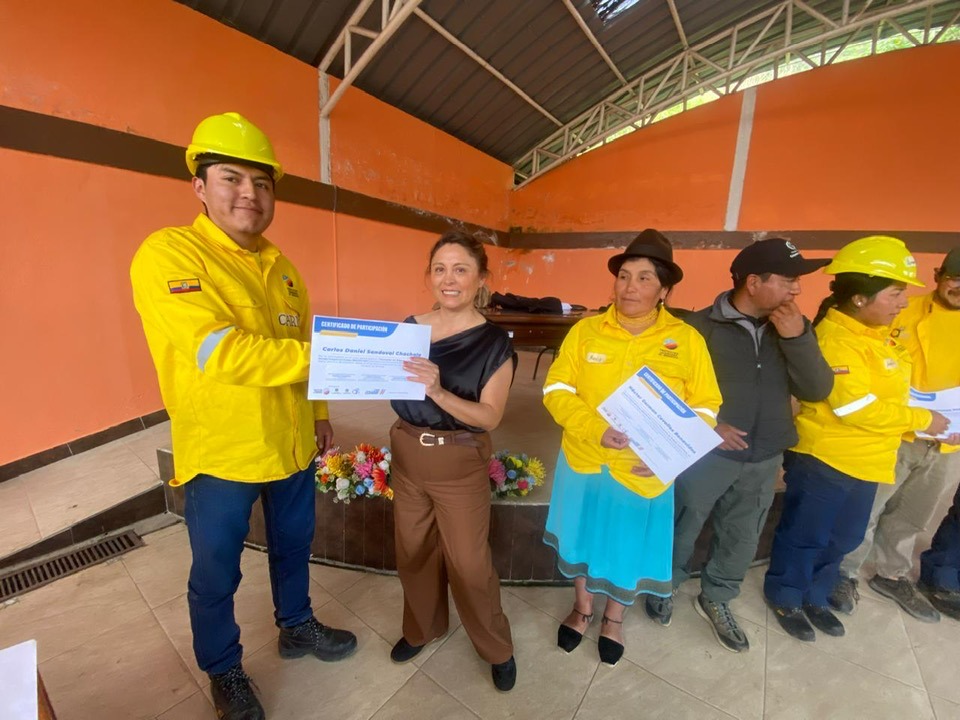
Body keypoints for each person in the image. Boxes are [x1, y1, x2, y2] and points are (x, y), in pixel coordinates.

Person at [130, 113, 356, 720]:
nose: (249, 194)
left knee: (294, 545)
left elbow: (301, 348)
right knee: (215, 572)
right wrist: (337, 356)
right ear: (200, 187)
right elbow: (219, 352)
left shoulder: (284, 270)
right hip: (223, 450)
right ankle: (223, 668)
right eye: (231, 178)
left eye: (262, 182)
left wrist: (319, 412)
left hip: (290, 443)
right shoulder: (169, 254)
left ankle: (296, 624)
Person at [541, 229, 722, 666]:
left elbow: (706, 407)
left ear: (664, 290)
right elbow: (556, 389)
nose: (630, 287)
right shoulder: (586, 332)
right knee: (581, 536)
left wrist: (669, 457)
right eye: (624, 276)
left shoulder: (687, 340)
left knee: (624, 545)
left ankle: (614, 619)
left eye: (644, 278)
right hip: (585, 460)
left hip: (643, 470)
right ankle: (583, 608)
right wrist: (594, 428)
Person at [646, 239, 833, 652]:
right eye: (788, 280)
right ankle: (664, 585)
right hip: (705, 455)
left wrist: (797, 338)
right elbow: (664, 391)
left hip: (764, 455)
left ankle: (717, 596)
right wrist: (707, 427)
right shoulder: (697, 328)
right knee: (683, 525)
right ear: (753, 282)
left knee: (743, 533)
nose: (797, 289)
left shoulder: (793, 327)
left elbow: (817, 389)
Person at [763, 236, 951, 642]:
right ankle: (786, 595)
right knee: (806, 536)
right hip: (827, 459)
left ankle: (815, 595)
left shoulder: (878, 335)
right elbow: (855, 408)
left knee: (844, 538)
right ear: (860, 298)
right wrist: (923, 419)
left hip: (870, 460)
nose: (902, 302)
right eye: (895, 293)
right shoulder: (836, 339)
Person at [387, 232, 517, 692]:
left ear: (481, 278)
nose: (449, 279)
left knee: (469, 563)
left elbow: (489, 416)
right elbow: (391, 385)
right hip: (407, 453)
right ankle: (422, 628)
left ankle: (496, 648)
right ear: (429, 276)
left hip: (458, 462)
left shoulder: (494, 343)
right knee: (412, 552)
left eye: (461, 269)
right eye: (440, 269)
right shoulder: (409, 329)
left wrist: (438, 391)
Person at [829, 248, 960, 620]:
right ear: (938, 275)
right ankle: (845, 572)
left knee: (915, 512)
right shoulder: (900, 311)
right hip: (897, 432)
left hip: (949, 441)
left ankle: (891, 573)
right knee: (869, 507)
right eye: (956, 278)